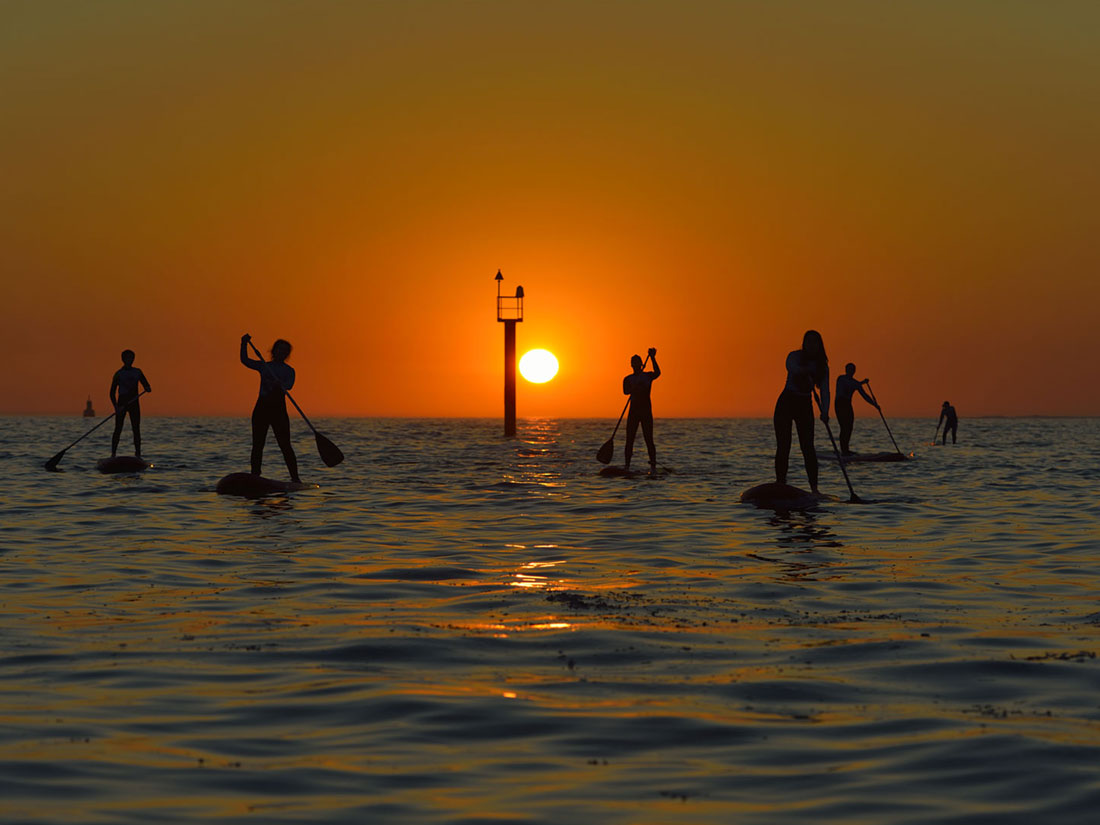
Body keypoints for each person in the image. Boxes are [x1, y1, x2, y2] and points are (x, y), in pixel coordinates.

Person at [774, 330, 829, 493]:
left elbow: (825, 391)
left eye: (815, 342)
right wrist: (805, 371)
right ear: (804, 344)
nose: (811, 345)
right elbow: (791, 367)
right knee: (784, 445)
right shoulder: (795, 356)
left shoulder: (822, 366)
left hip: (805, 405)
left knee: (808, 447)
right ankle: (780, 484)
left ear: (819, 345)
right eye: (808, 341)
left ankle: (814, 489)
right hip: (787, 402)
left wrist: (825, 411)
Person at [240, 334, 299, 481]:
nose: (281, 352)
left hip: (279, 411)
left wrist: (281, 384)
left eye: (285, 351)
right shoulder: (264, 366)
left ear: (287, 354)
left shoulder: (289, 371)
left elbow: (289, 385)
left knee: (285, 445)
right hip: (262, 409)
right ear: (273, 351)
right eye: (279, 349)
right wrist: (244, 343)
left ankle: (295, 478)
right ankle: (255, 476)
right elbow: (245, 360)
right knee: (258, 445)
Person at [623, 347, 661, 472]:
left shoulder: (647, 376)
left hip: (646, 411)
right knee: (629, 440)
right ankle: (627, 466)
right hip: (633, 412)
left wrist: (653, 358)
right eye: (633, 363)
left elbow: (658, 373)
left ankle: (653, 466)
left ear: (641, 364)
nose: (635, 365)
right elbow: (625, 391)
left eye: (637, 363)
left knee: (648, 439)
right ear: (631, 365)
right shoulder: (628, 379)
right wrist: (632, 389)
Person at [109, 349, 152, 458]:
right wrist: (116, 407)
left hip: (134, 403)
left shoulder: (137, 372)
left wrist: (147, 388)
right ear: (123, 359)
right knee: (118, 428)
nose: (130, 360)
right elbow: (112, 393)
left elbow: (147, 386)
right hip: (122, 403)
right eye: (128, 358)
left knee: (136, 429)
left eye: (131, 358)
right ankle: (113, 454)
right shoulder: (118, 374)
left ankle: (138, 454)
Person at [834, 363, 878, 455]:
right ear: (846, 370)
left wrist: (875, 405)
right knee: (844, 427)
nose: (851, 371)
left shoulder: (855, 383)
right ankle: (844, 450)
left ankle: (846, 449)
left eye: (852, 369)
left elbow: (865, 396)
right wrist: (861, 383)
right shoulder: (841, 379)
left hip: (848, 405)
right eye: (849, 369)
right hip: (840, 404)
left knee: (849, 427)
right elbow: (848, 385)